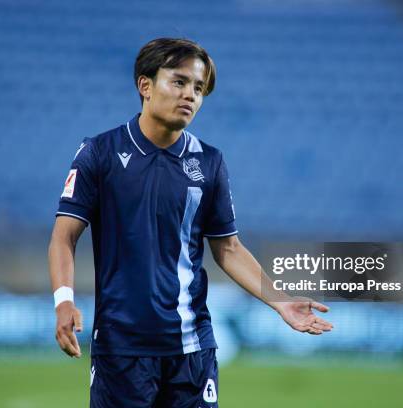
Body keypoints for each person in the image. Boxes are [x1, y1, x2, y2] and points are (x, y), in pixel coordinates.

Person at [48, 37, 333, 408]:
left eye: (198, 88)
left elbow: (228, 248)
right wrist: (63, 301)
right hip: (121, 348)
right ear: (145, 86)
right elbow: (63, 237)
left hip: (192, 347)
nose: (190, 95)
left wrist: (280, 301)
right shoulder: (98, 153)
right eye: (179, 82)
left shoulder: (209, 162)